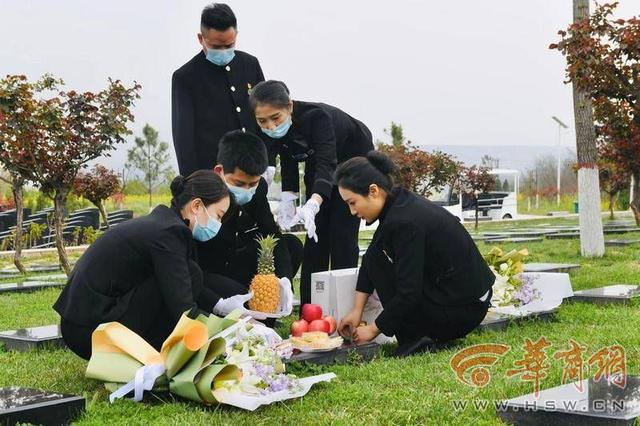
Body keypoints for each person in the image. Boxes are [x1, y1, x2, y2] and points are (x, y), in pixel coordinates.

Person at [53, 171, 254, 360]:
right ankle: (161, 354)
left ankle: (158, 351)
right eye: (218, 215)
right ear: (196, 206)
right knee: (190, 278)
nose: (217, 224)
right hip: (90, 332)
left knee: (189, 273)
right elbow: (183, 309)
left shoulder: (164, 225)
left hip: (80, 325)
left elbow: (180, 281)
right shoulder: (169, 234)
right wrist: (230, 329)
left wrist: (221, 306)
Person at [335, 152, 495, 357]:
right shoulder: (397, 204)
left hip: (464, 309)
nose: (352, 212)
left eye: (352, 202)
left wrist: (374, 329)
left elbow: (409, 292)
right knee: (376, 257)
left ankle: (417, 337)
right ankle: (416, 333)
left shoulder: (405, 222)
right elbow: (370, 260)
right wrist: (356, 311)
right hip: (457, 296)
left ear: (373, 191)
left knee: (391, 272)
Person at [249, 80, 374, 305]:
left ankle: (343, 304)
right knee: (315, 235)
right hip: (317, 162)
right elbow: (287, 158)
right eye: (262, 121)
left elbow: (328, 163)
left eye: (275, 118)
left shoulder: (317, 117)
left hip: (352, 158)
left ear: (289, 105)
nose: (270, 126)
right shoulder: (274, 129)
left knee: (341, 231)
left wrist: (314, 202)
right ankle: (310, 304)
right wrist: (289, 198)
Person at [197, 130, 303, 295]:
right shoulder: (201, 191)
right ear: (219, 171)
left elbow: (271, 232)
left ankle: (268, 313)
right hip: (207, 271)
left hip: (237, 260)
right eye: (239, 183)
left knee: (291, 245)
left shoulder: (258, 189)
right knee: (236, 291)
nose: (246, 190)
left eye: (252, 183)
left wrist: (284, 280)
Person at [172, 3, 265, 176]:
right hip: (213, 175)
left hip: (253, 174)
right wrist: (193, 181)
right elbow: (184, 138)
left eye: (229, 45)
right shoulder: (185, 77)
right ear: (201, 38)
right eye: (216, 46)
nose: (223, 51)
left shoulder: (250, 65)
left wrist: (268, 161)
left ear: (236, 35)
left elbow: (265, 114)